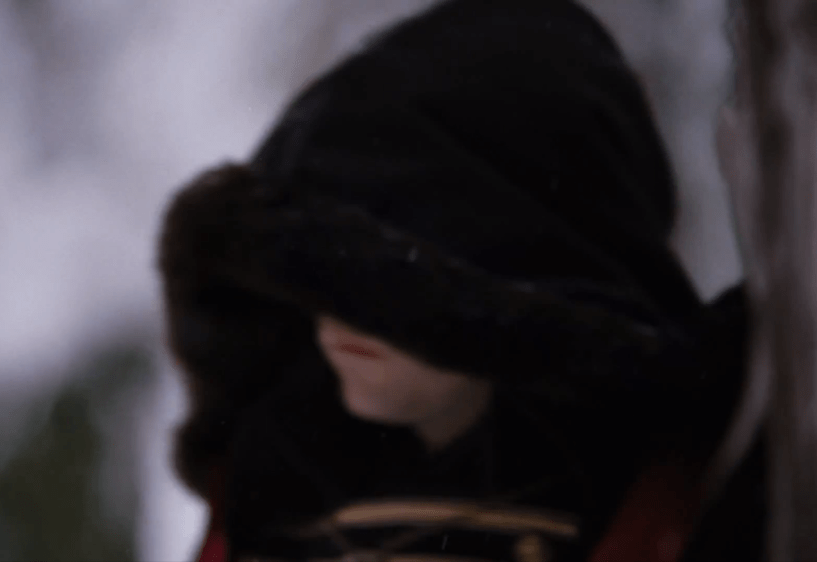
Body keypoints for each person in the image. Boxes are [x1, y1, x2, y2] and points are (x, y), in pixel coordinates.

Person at [157, 1, 763, 560]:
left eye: (390, 286)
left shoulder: (660, 495)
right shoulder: (272, 486)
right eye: (316, 279)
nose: (340, 317)